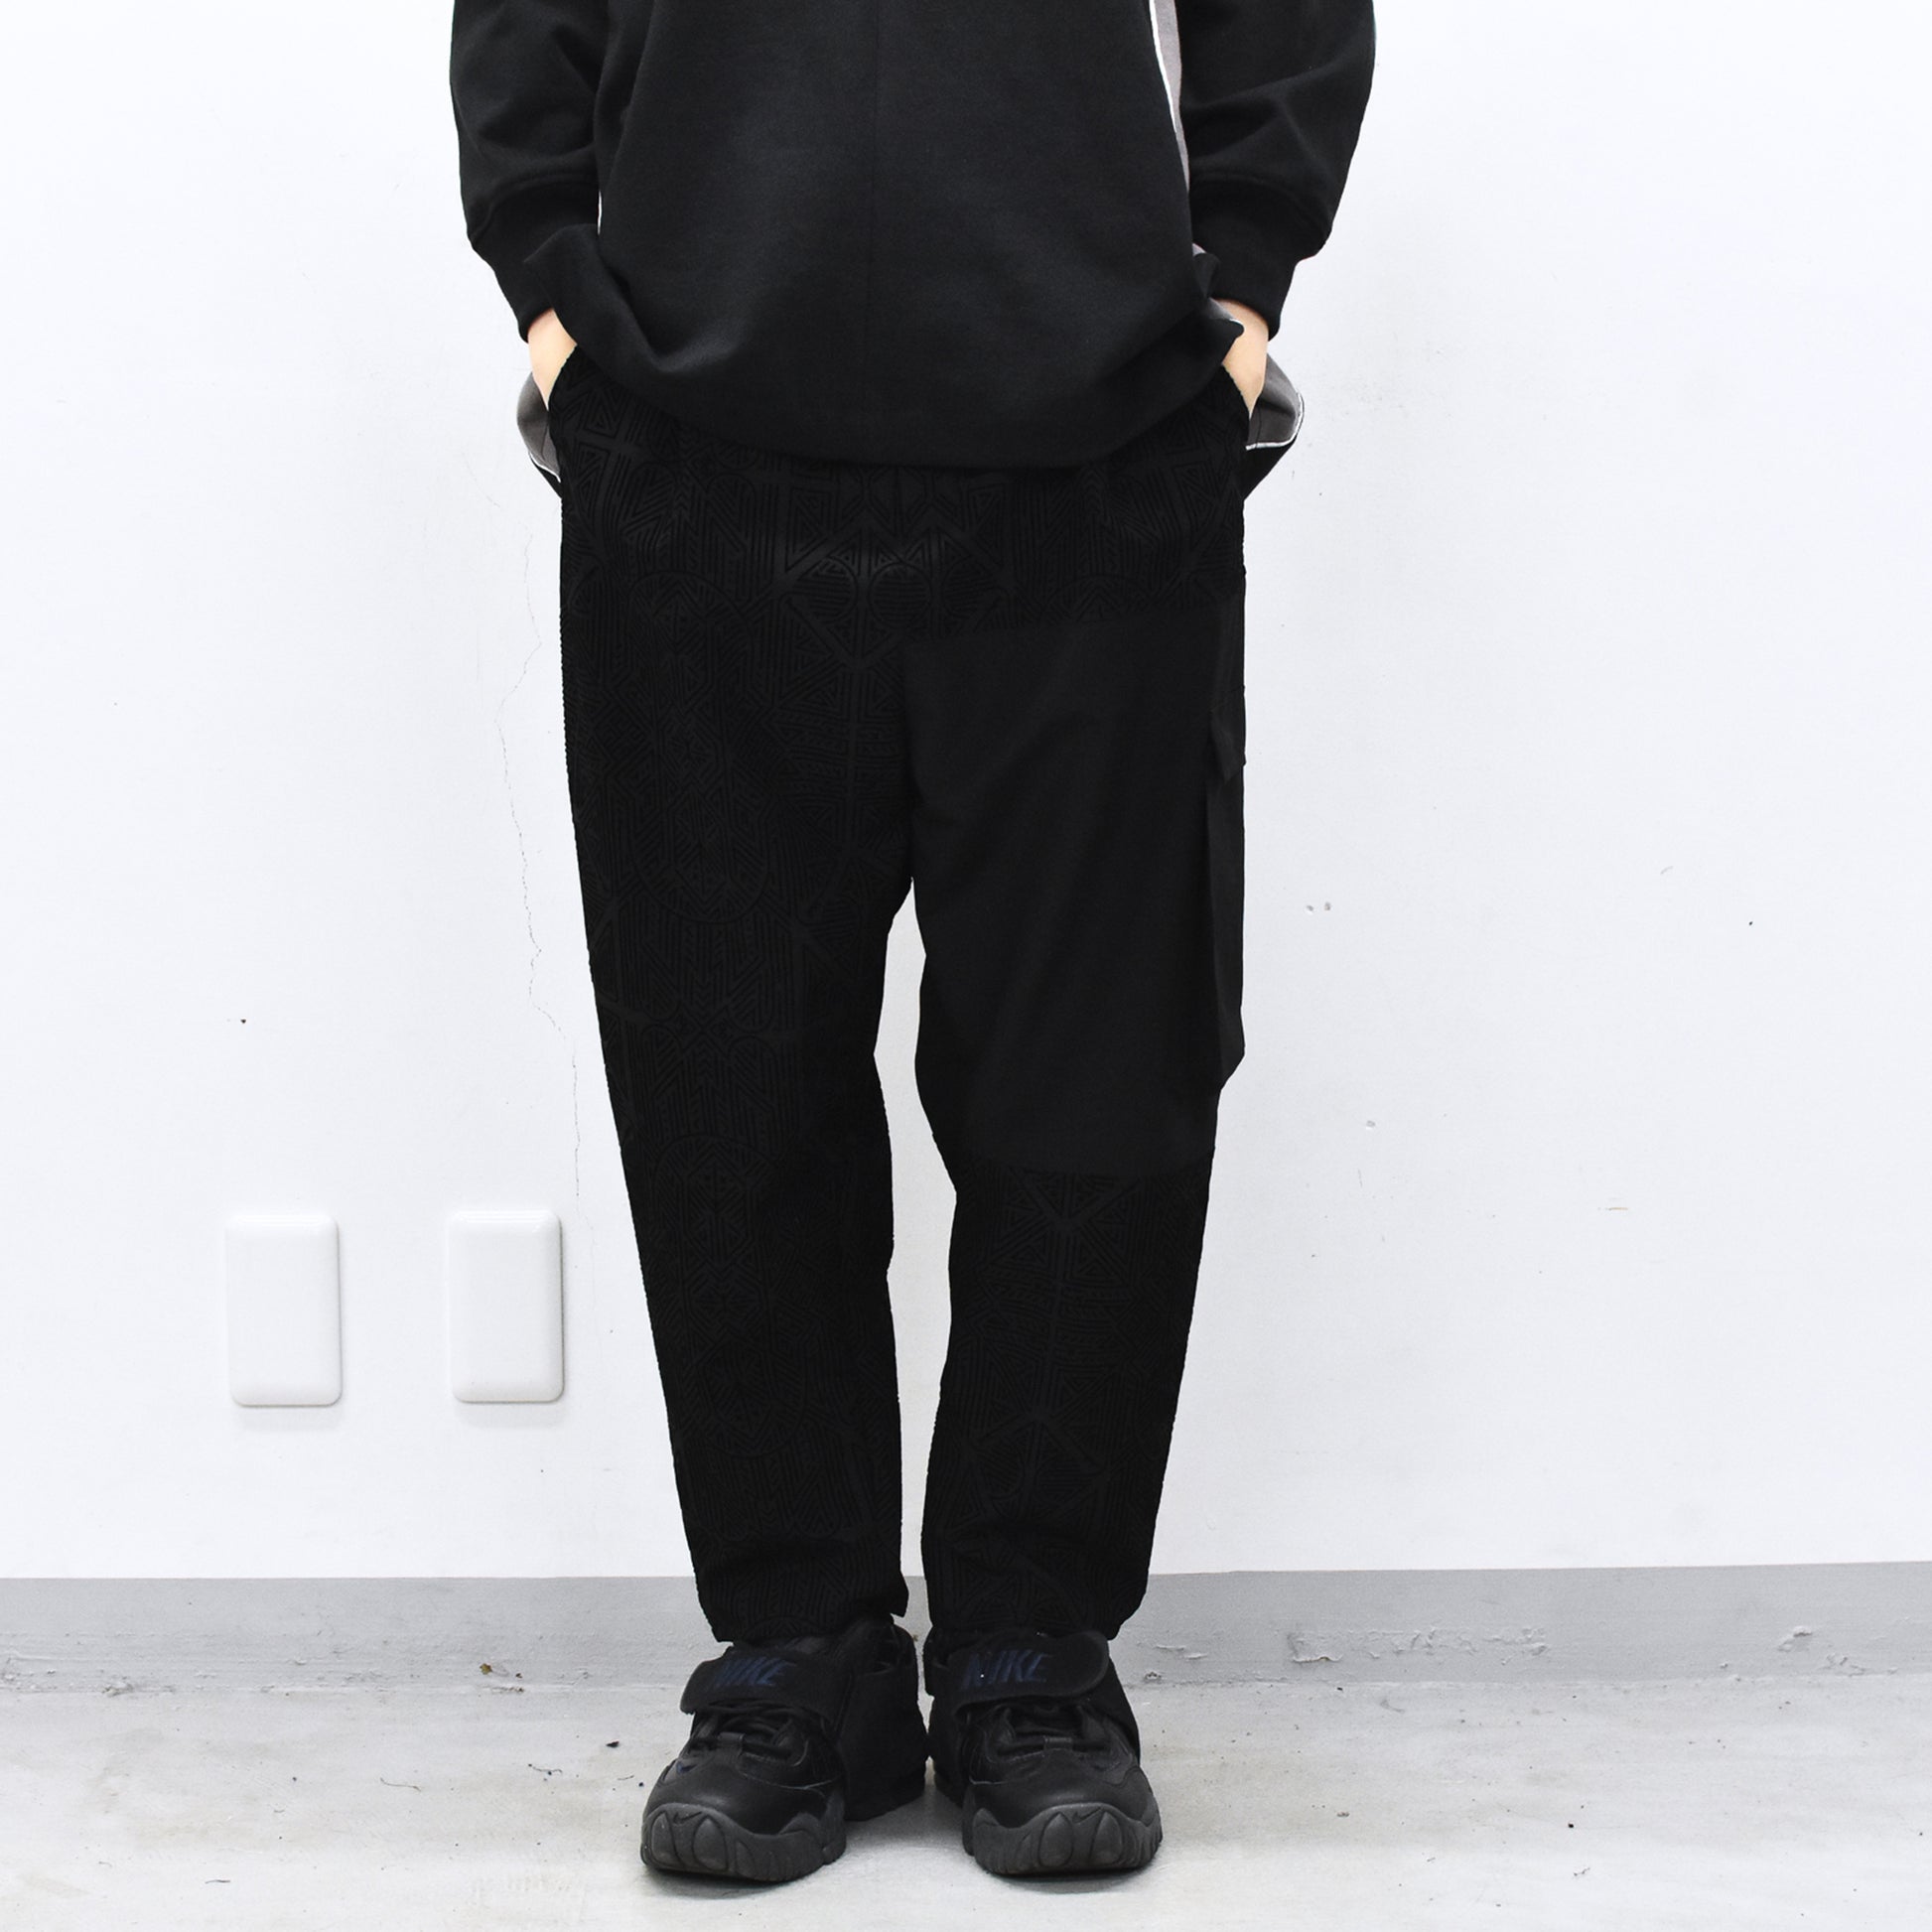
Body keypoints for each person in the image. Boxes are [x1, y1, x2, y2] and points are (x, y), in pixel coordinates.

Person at [450, 0, 1375, 1884]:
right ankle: (799, 1655)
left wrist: (1239, 286)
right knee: (727, 1079)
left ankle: (1033, 1652)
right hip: (692, 443)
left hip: (1098, 448)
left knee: (1094, 1075)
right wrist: (550, 289)